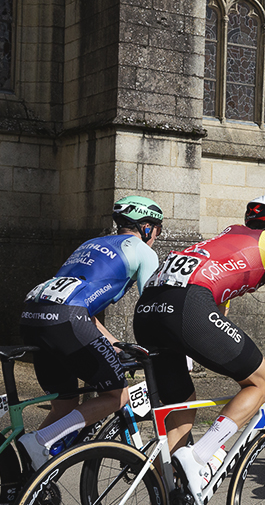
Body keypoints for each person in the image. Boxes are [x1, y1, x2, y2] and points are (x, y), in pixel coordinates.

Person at [133, 195, 265, 505]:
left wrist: (240, 357)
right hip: (186, 307)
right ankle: (199, 456)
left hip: (147, 311)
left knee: (181, 403)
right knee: (261, 382)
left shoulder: (225, 238)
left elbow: (217, 316)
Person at [18, 195, 164, 470]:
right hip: (66, 318)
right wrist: (163, 351)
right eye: (158, 228)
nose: (156, 235)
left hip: (33, 314)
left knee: (65, 405)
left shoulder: (90, 244)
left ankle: (29, 477)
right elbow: (152, 308)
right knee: (117, 396)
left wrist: (116, 345)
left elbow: (80, 305)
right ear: (147, 227)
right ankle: (39, 441)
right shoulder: (144, 251)